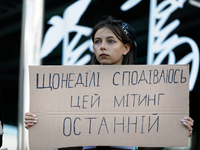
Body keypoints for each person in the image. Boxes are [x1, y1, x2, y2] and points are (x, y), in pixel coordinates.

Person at [25, 16, 194, 150]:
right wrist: (42, 124)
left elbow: (146, 146)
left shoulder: (143, 90)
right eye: (97, 41)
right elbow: (72, 144)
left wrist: (175, 130)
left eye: (110, 41)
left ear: (126, 48)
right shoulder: (77, 89)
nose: (102, 46)